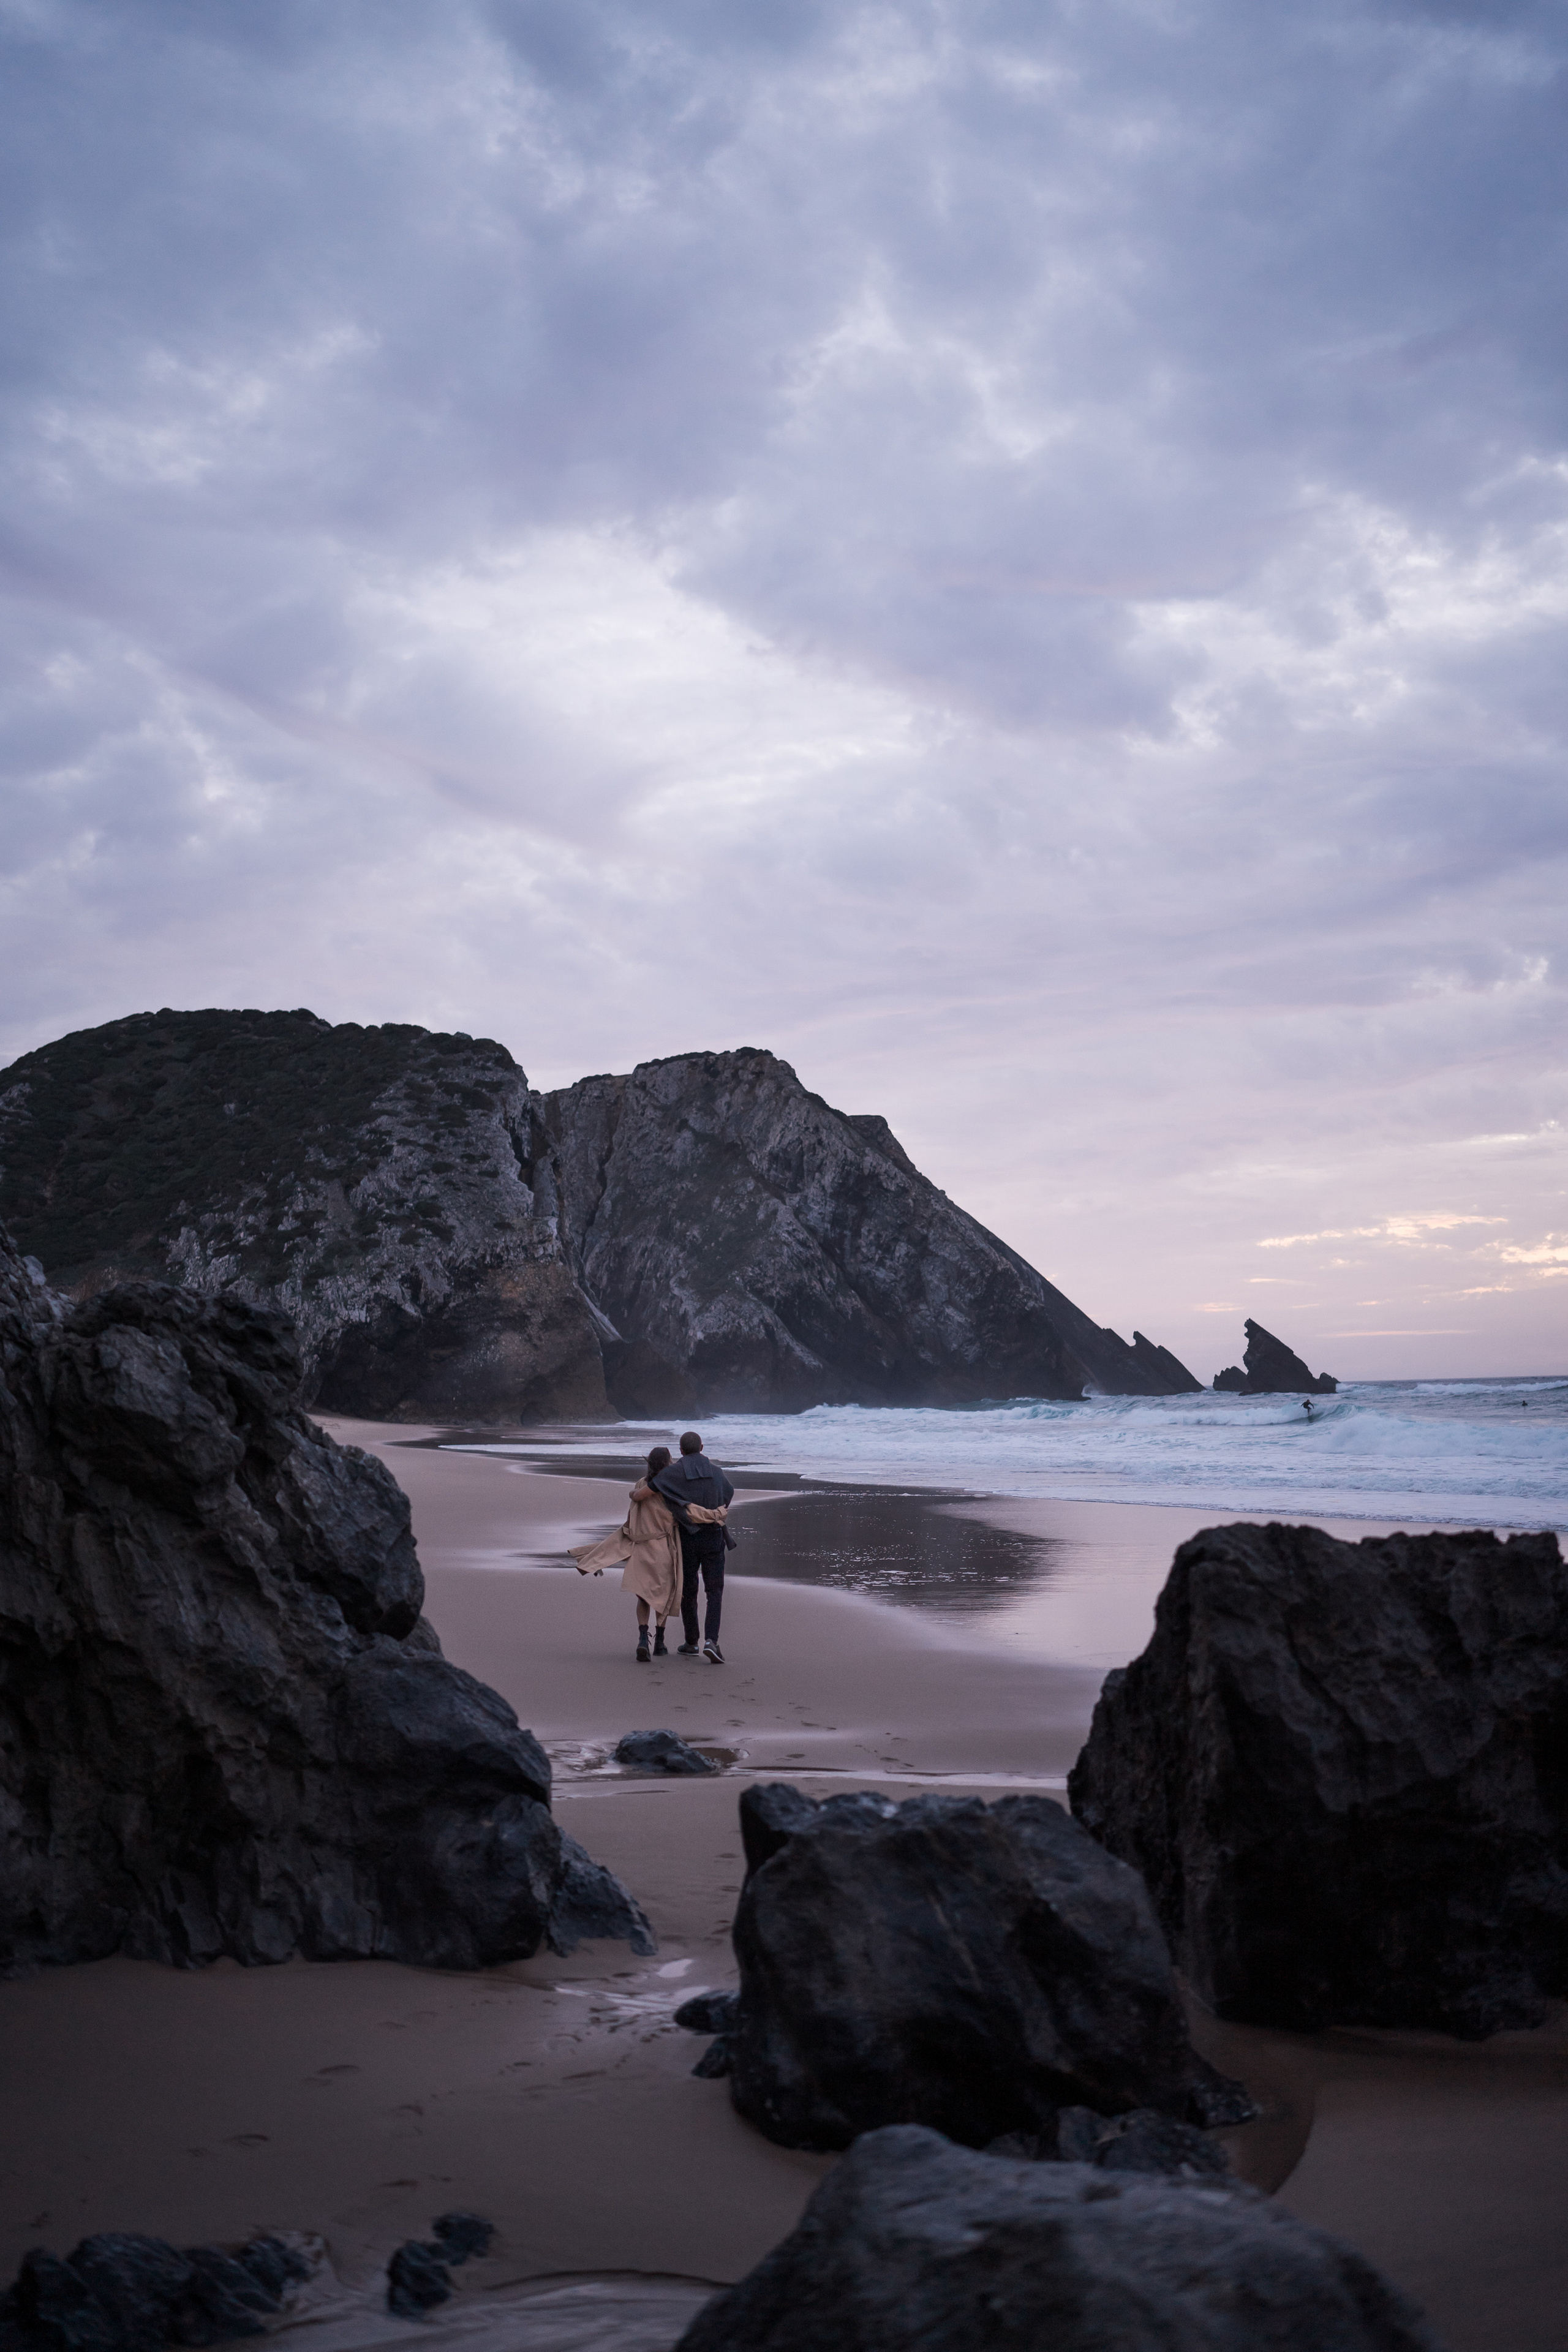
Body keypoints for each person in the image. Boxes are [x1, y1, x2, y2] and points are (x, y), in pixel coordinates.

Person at [568, 1444, 683, 1662]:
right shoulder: (672, 1485)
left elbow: (633, 1513)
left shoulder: (641, 1483)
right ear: (668, 1462)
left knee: (643, 1596)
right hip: (663, 1546)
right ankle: (659, 1642)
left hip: (641, 1547)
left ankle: (642, 1638)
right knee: (663, 1596)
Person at [652, 1430, 735, 1663]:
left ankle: (691, 1642)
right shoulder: (717, 1473)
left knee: (690, 1591)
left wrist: (636, 1494)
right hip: (714, 1537)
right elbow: (729, 1493)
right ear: (702, 1447)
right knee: (714, 1591)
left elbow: (655, 1485)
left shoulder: (674, 1472)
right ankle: (711, 1641)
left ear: (681, 1451)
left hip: (687, 1537)